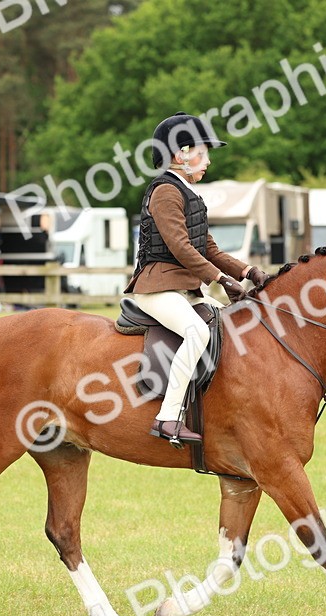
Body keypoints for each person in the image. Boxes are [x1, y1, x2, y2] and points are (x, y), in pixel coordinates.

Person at [125, 112, 269, 444]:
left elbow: (209, 248)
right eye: (203, 153)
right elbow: (180, 246)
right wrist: (221, 279)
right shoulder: (165, 192)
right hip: (157, 286)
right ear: (181, 154)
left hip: (184, 288)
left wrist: (247, 272)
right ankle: (167, 417)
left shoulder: (190, 193)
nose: (208, 161)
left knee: (230, 326)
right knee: (196, 332)